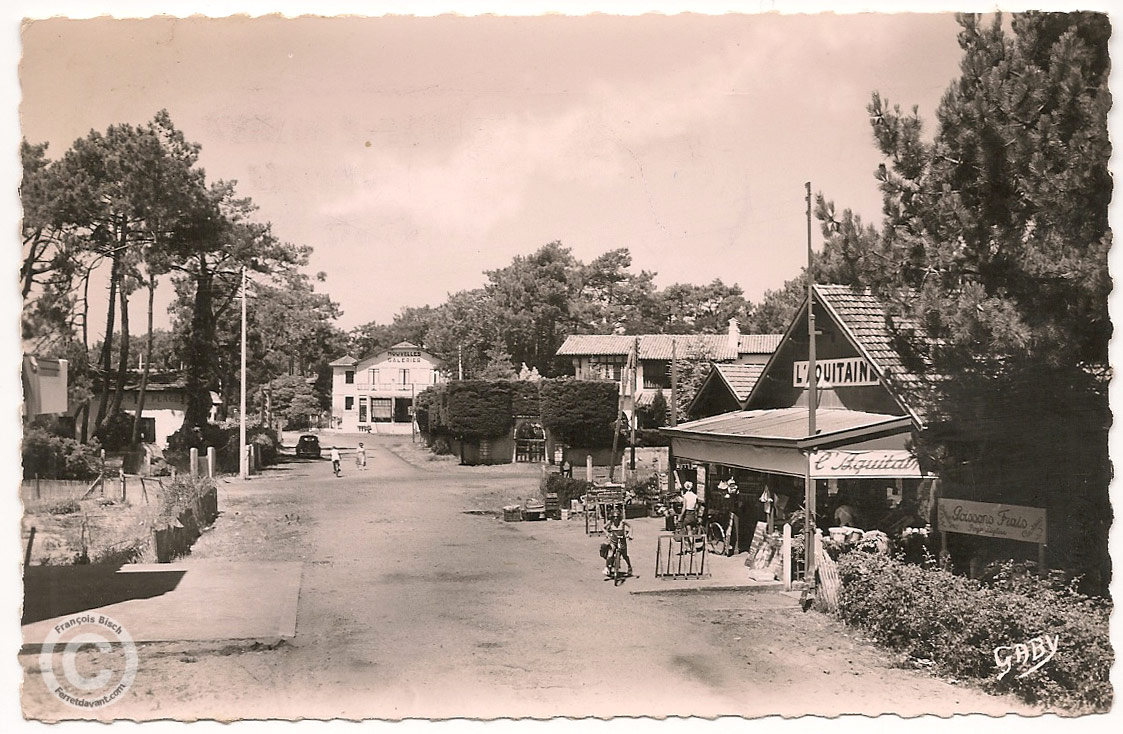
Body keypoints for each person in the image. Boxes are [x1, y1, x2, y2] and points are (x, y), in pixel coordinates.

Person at [603, 509, 633, 577]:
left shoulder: (622, 522)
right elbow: (603, 527)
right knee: (610, 555)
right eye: (614, 517)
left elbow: (630, 527)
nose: (615, 518)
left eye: (617, 516)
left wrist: (630, 535)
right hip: (613, 541)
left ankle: (629, 567)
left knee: (625, 555)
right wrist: (607, 533)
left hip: (622, 540)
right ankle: (607, 568)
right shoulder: (610, 522)